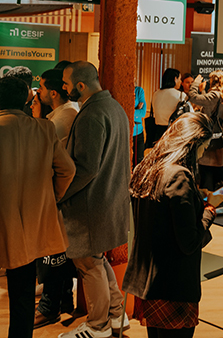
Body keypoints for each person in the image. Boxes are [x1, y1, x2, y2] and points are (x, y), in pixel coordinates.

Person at [123, 113, 216, 338]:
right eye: (203, 147)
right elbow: (189, 242)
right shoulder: (179, 176)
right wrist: (209, 210)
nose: (203, 154)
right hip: (173, 285)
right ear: (192, 144)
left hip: (149, 282)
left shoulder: (148, 167)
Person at [58, 61, 132, 338]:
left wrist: (59, 194)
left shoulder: (91, 114)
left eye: (66, 84)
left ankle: (98, 325)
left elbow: (86, 168)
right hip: (109, 200)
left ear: (80, 85)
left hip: (90, 205)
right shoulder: (114, 108)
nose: (64, 89)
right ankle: (116, 316)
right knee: (97, 260)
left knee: (88, 264)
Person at [0, 75, 75, 338]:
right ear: (26, 100)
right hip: (32, 223)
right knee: (22, 293)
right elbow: (67, 170)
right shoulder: (44, 129)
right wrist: (49, 198)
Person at [29, 69, 80, 328]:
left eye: (39, 88)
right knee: (57, 253)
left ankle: (51, 305)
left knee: (53, 253)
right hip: (59, 195)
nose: (36, 93)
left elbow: (48, 157)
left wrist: (56, 194)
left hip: (56, 196)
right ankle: (62, 301)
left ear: (53, 92)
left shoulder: (62, 118)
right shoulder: (62, 114)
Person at [188, 71, 223, 190]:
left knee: (206, 179)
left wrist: (196, 83)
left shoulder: (215, 95)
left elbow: (192, 96)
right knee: (218, 178)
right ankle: (219, 203)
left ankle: (207, 205)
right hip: (219, 142)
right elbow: (210, 107)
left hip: (209, 143)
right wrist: (203, 91)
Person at [151, 68, 186, 141]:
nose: (180, 81)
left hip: (158, 131)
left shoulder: (156, 94)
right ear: (175, 79)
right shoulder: (180, 95)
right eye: (179, 79)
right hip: (174, 130)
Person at [133, 81, 147, 167]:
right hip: (125, 132)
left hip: (138, 132)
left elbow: (143, 113)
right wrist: (136, 109)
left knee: (139, 162)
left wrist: (132, 110)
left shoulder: (139, 91)